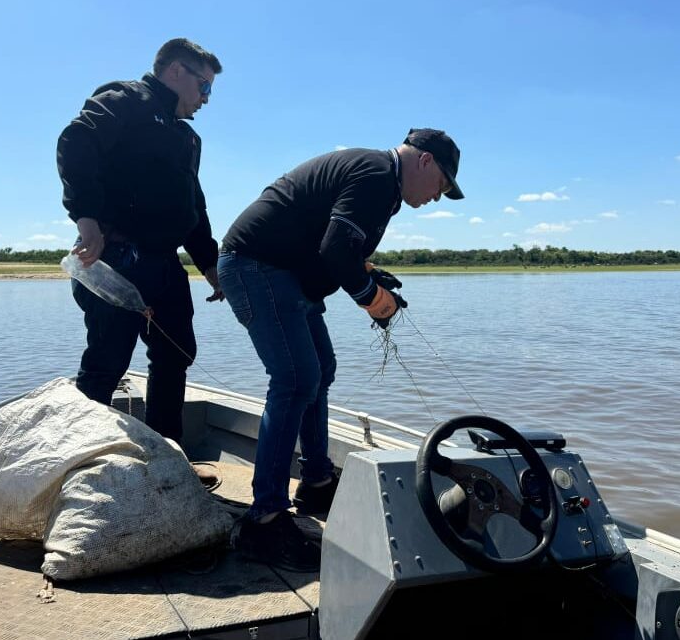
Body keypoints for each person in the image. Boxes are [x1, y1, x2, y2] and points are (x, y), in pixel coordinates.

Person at [217, 128, 464, 571]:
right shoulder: (375, 174)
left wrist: (371, 275)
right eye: (442, 185)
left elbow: (339, 245)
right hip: (257, 266)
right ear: (425, 161)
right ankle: (264, 521)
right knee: (296, 377)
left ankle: (315, 482)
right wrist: (372, 298)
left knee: (320, 368)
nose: (436, 197)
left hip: (286, 272)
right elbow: (334, 250)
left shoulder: (383, 184)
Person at [57, 38, 224, 446]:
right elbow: (75, 142)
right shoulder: (125, 100)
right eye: (204, 87)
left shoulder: (187, 139)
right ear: (176, 72)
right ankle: (80, 464)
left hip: (165, 264)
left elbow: (194, 208)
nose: (206, 99)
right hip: (114, 256)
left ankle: (165, 458)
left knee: (177, 354)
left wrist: (209, 263)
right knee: (107, 362)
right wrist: (87, 218)